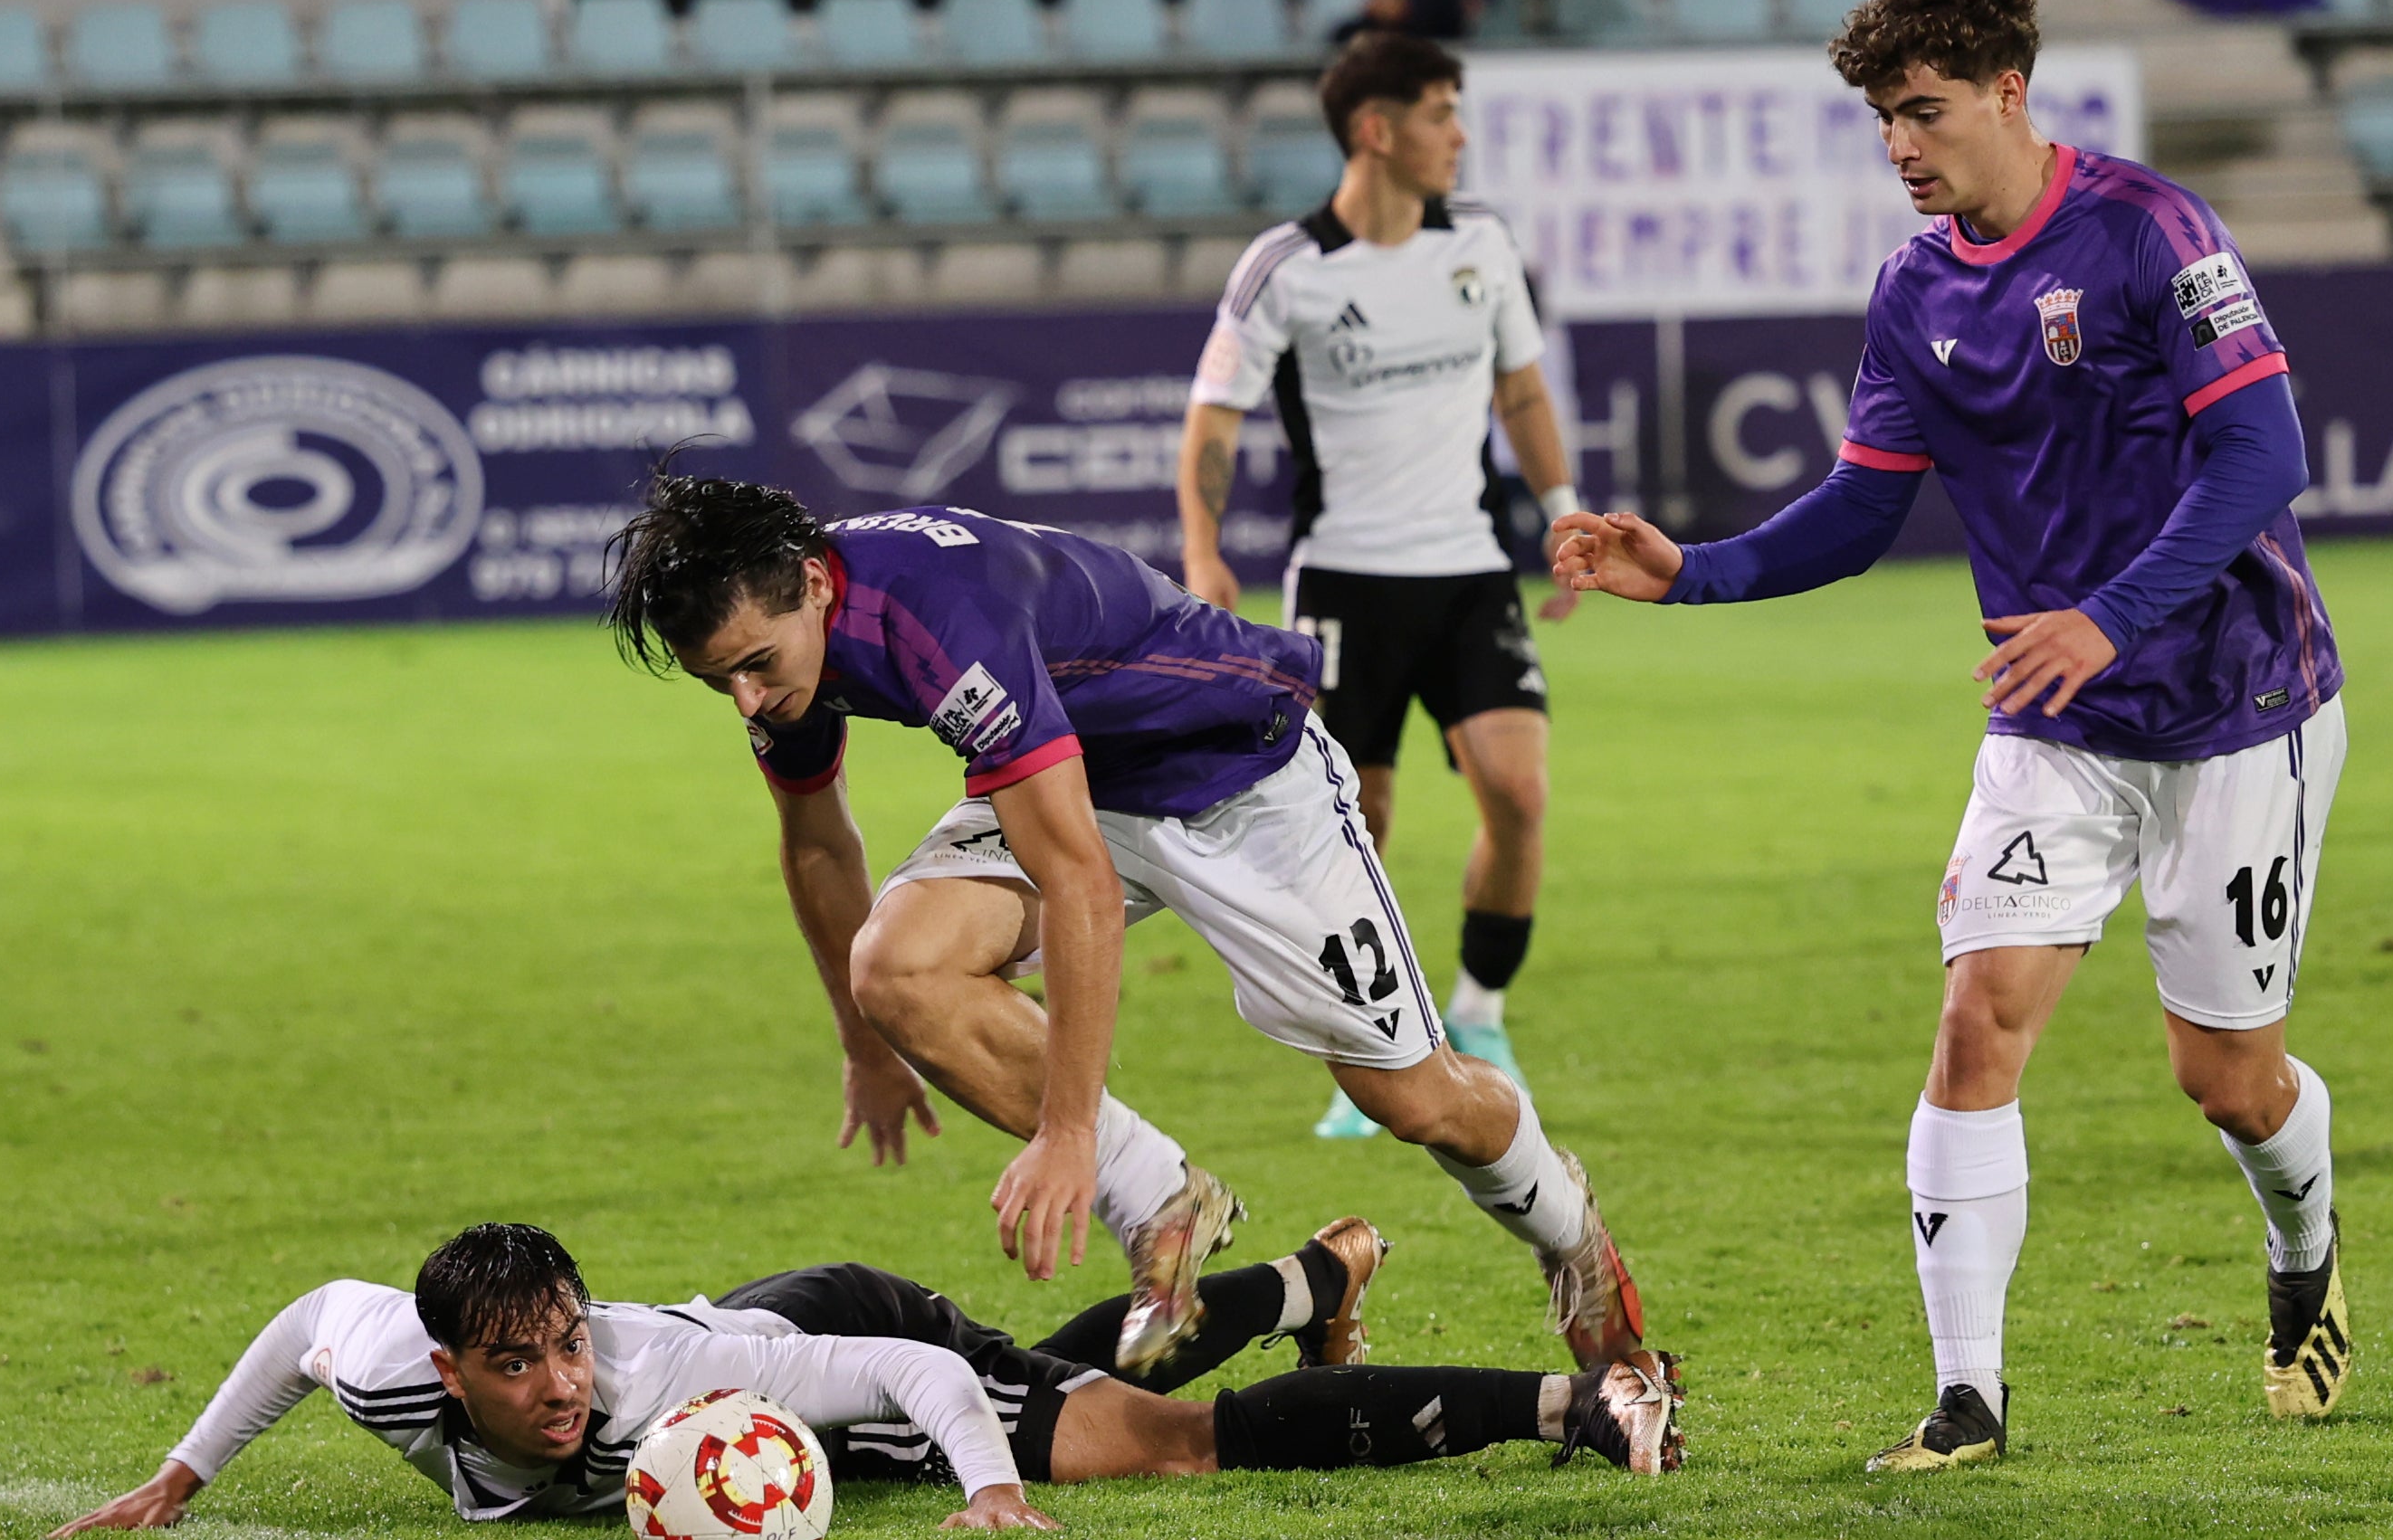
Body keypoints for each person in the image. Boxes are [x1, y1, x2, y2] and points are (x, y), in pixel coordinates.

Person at [1551, 0, 2356, 1470]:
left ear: (2006, 92)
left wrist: (2107, 612)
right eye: (1880, 123)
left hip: (2236, 705)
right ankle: (1965, 1397)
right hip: (2049, 722)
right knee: (1972, 1022)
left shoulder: (2149, 233)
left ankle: (2303, 1244)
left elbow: (2258, 452)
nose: (1901, 147)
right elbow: (1860, 512)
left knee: (2225, 1081)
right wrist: (1696, 572)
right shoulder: (1915, 291)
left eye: (1921, 111)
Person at [602, 474, 1646, 1377]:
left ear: (816, 583)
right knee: (899, 967)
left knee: (1409, 1096)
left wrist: (1065, 1134)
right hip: (1080, 779)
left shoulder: (938, 620)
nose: (744, 696)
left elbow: (1079, 885)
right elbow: (820, 842)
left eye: (752, 662)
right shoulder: (790, 644)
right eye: (716, 680)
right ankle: (1164, 1202)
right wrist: (861, 1043)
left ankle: (1571, 1234)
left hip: (1244, 777)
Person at [48, 1220, 1684, 1540]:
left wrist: (989, 1484)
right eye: (519, 1361)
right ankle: (1315, 1279)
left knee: (1153, 1444)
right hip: (788, 1346)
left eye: (566, 1340)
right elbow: (300, 1311)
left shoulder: (662, 1376)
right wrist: (179, 1475)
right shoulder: (390, 1364)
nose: (559, 1381)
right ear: (448, 1368)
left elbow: (897, 1361)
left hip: (842, 1330)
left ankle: (1588, 1403)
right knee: (1094, 1376)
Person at [1176, 30, 1581, 1140]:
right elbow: (1212, 418)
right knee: (1358, 817)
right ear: (1376, 129)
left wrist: (1559, 515)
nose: (1458, 134)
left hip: (1465, 568)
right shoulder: (1287, 269)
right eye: (1441, 111)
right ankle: (1371, 1045)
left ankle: (1482, 1016)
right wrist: (1205, 553)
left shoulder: (1482, 244)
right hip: (1343, 582)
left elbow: (1522, 391)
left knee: (1518, 790)